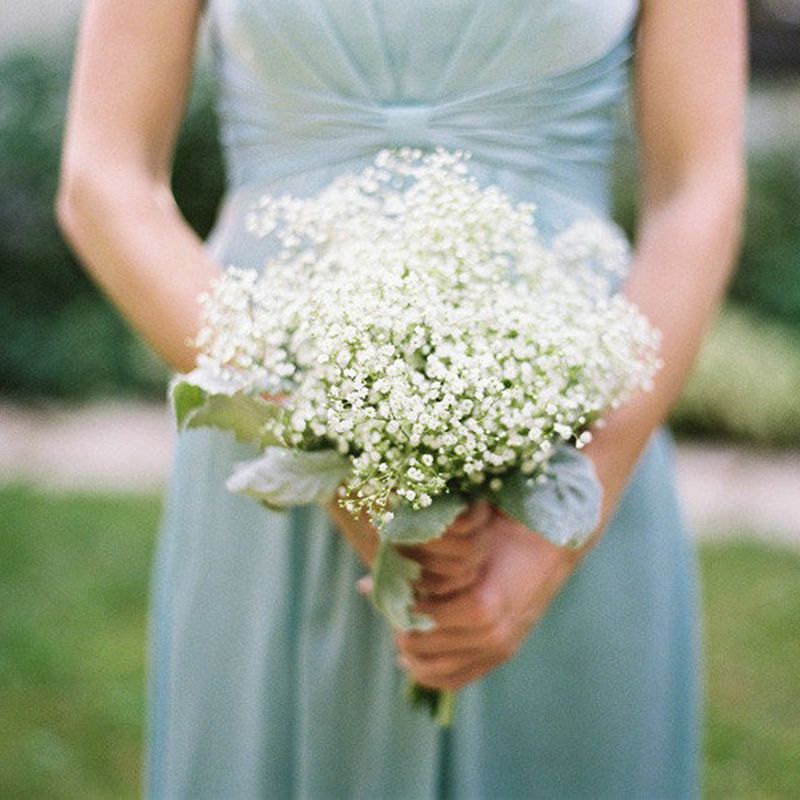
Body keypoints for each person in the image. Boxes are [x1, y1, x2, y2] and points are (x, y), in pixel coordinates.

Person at [56, 1, 746, 797]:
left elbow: (698, 191)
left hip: (576, 434)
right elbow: (104, 179)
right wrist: (320, 444)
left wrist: (553, 536)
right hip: (269, 442)